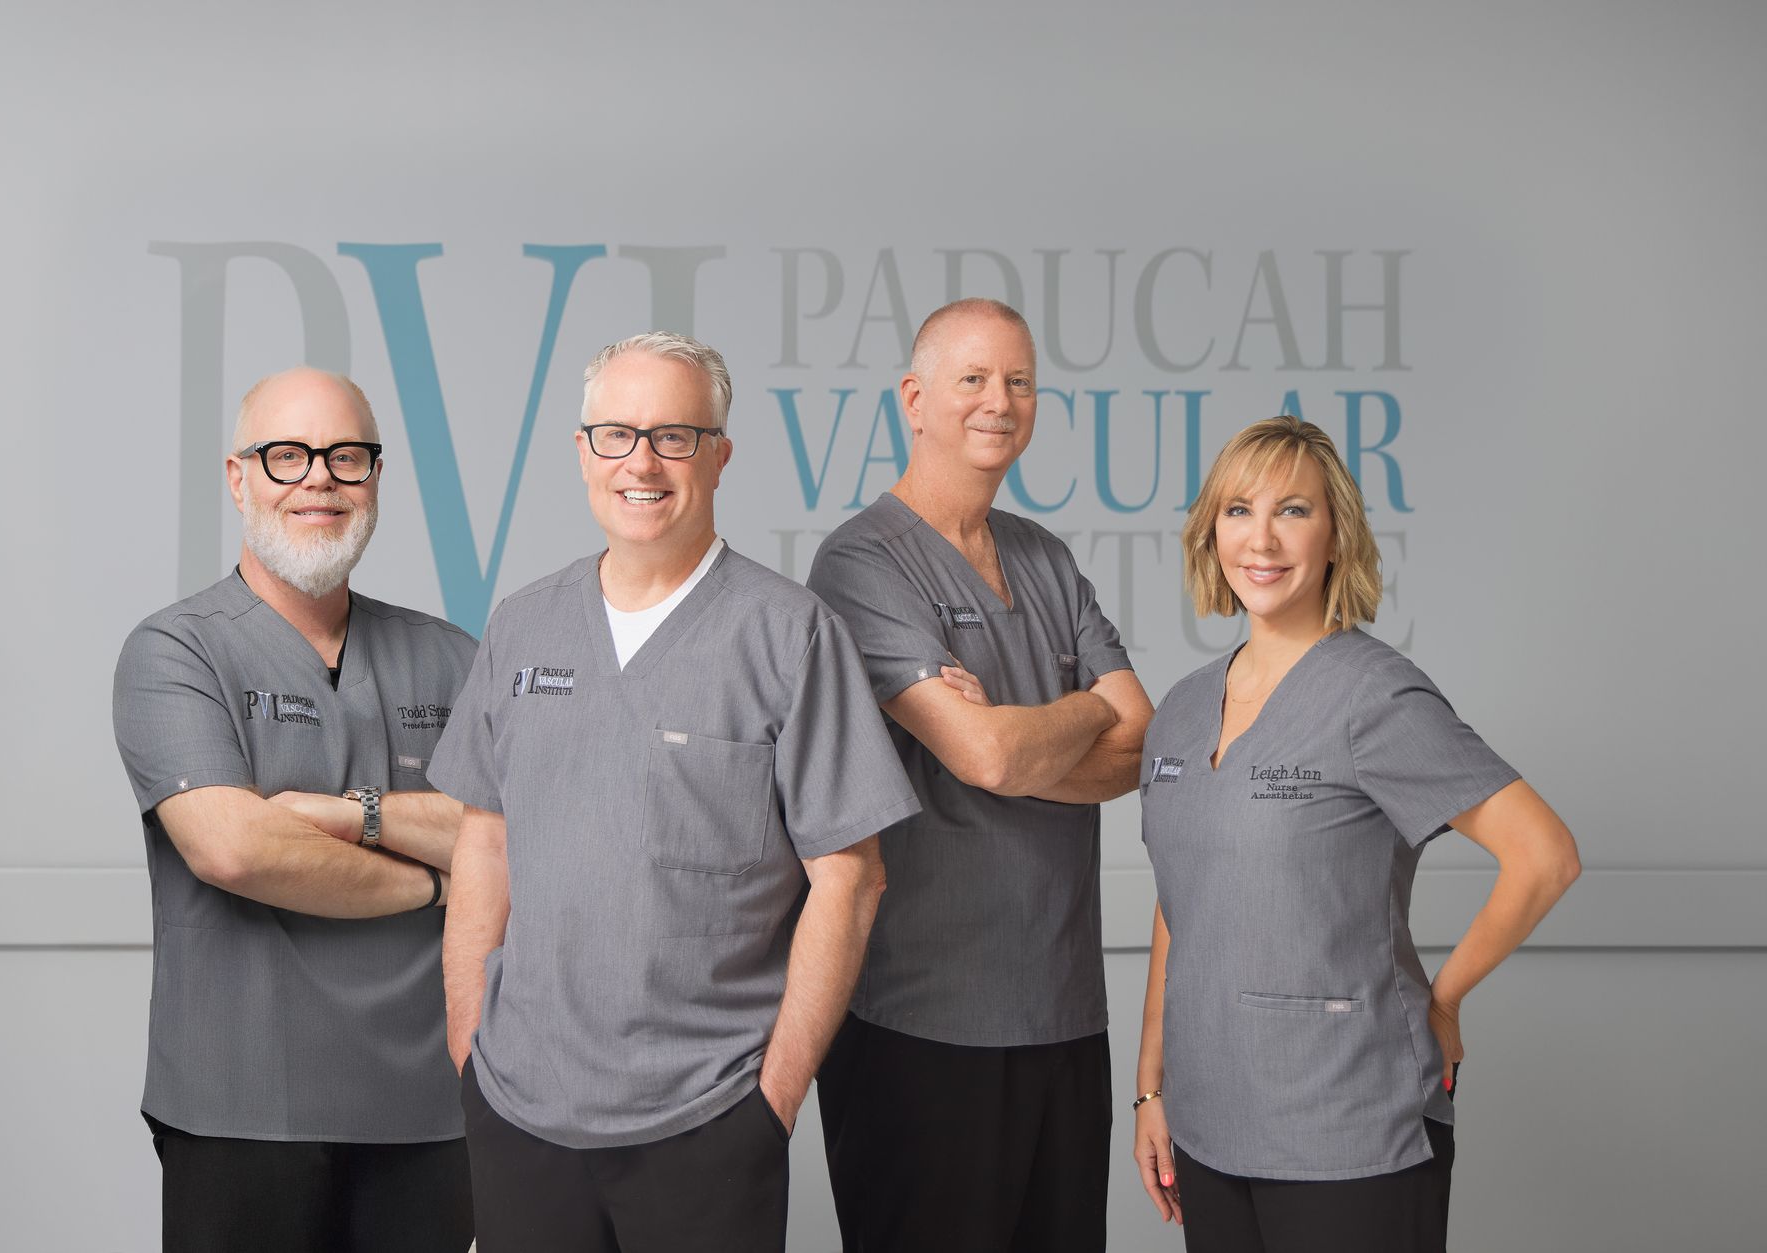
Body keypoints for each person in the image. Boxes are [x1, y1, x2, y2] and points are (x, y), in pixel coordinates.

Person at [429, 332, 919, 1253]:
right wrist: (470, 1052)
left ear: (721, 455)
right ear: (582, 454)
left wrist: (771, 1100)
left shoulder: (790, 635)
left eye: (675, 436)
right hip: (519, 1111)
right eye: (615, 435)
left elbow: (851, 881)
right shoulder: (523, 625)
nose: (641, 462)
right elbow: (485, 844)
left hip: (710, 1119)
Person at [1131, 414, 1581, 1253]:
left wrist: (1443, 1000)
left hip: (1349, 1123)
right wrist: (1151, 1088)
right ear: (1210, 532)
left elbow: (1544, 856)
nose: (1261, 537)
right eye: (1238, 510)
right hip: (1208, 1119)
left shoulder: (1377, 697)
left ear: (1336, 534)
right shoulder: (1184, 709)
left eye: (1293, 510)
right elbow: (1176, 900)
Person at [806, 298, 1154, 1252]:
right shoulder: (860, 564)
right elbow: (987, 755)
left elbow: (1143, 737)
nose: (999, 402)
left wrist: (1015, 724)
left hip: (1063, 1016)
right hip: (921, 1028)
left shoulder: (1045, 556)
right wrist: (1080, 709)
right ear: (915, 399)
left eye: (1019, 381)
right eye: (972, 379)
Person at [111, 367, 477, 1252]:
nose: (319, 478)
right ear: (239, 478)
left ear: (376, 480)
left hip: (431, 1110)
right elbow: (234, 849)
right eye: (287, 455)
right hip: (241, 1106)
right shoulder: (176, 650)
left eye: (346, 457)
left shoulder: (451, 654)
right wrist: (436, 883)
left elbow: (510, 837)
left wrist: (348, 814)